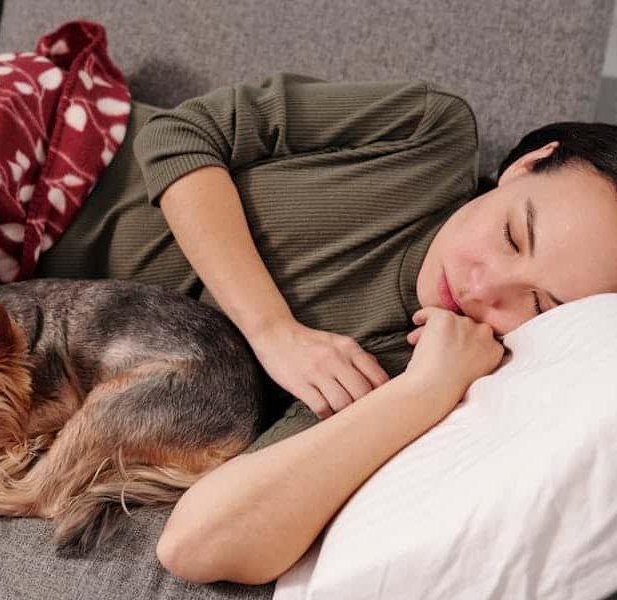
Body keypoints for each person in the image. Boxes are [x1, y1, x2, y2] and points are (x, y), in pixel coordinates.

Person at [36, 73, 617, 583]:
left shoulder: (391, 373)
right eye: (513, 235)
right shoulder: (429, 135)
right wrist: (273, 331)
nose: (481, 288)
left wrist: (423, 392)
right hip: (47, 146)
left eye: (538, 306)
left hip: (13, 295)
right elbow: (180, 133)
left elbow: (194, 543)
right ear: (524, 165)